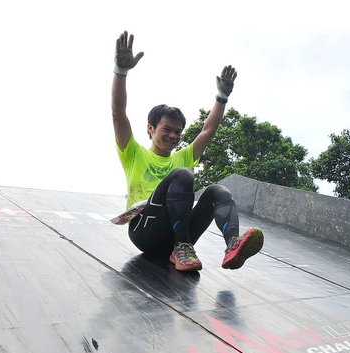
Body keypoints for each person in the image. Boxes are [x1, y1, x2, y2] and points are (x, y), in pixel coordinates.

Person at [111, 30, 263, 272]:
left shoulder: (182, 157)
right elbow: (118, 114)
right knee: (183, 175)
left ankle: (233, 245)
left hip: (174, 238)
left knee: (218, 191)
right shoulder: (134, 154)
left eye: (178, 132)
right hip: (144, 233)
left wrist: (222, 96)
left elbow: (208, 130)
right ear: (150, 128)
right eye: (167, 129)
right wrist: (121, 71)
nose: (173, 136)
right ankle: (181, 246)